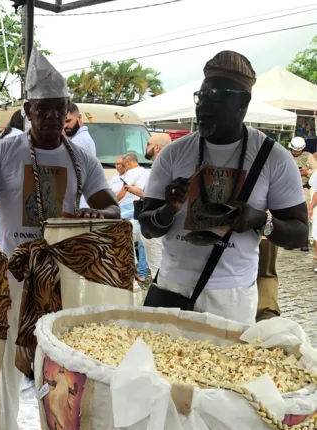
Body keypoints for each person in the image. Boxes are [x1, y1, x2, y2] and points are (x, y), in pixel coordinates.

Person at [0, 48, 120, 430]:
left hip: (61, 279)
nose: (50, 117)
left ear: (67, 112)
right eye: (42, 109)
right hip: (12, 276)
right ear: (28, 110)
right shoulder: (6, 151)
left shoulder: (80, 157)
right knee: (10, 364)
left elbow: (112, 208)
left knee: (59, 364)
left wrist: (93, 216)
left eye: (58, 109)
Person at [139, 51, 308, 324]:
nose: (203, 107)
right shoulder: (173, 153)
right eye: (201, 96)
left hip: (232, 298)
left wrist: (259, 220)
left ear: (242, 104)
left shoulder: (272, 157)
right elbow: (148, 226)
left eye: (216, 96)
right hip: (172, 289)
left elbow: (300, 234)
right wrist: (168, 210)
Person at [140, 133, 172, 277]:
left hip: (156, 224)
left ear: (157, 147)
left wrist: (138, 193)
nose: (146, 147)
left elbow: (156, 198)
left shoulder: (161, 168)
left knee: (157, 268)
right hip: (157, 223)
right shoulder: (165, 166)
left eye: (148, 144)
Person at [121, 151, 150, 280]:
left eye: (123, 165)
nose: (123, 168)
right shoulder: (147, 171)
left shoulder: (131, 172)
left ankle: (129, 268)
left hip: (131, 206)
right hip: (145, 207)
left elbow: (123, 192)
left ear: (128, 162)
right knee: (143, 238)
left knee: (120, 229)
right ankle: (142, 272)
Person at [288, 136, 316, 252]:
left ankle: (303, 242)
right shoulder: (285, 155)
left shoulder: (308, 157)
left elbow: (316, 170)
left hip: (303, 189)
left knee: (303, 216)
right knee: (289, 216)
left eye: (298, 151)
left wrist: (307, 172)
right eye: (294, 150)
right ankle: (289, 241)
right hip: (288, 189)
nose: (296, 152)